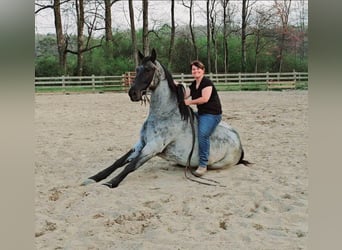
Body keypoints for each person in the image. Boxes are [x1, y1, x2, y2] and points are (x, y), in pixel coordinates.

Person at [183, 60, 222, 177]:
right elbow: (185, 94)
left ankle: (203, 164)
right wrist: (176, 86)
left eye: (198, 69)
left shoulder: (207, 83)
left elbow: (204, 98)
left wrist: (189, 102)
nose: (195, 71)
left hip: (212, 114)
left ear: (203, 70)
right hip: (200, 113)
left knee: (203, 134)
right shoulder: (194, 84)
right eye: (193, 69)